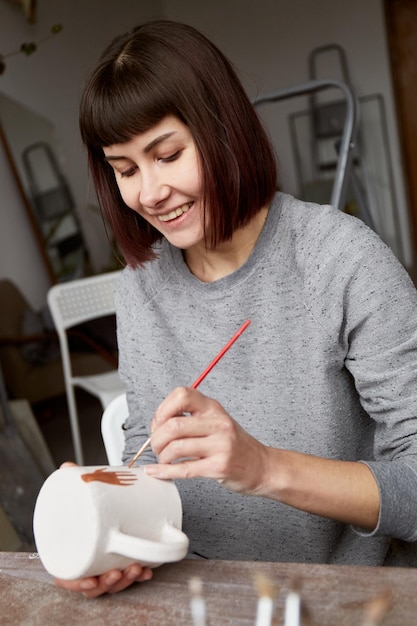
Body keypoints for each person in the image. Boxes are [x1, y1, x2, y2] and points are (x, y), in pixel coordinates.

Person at [56, 19, 417, 597]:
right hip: (192, 591)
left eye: (167, 155)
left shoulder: (341, 262)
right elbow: (146, 455)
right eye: (125, 170)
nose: (148, 193)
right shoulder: (141, 285)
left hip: (342, 598)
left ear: (222, 130)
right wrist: (113, 526)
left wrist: (265, 467)